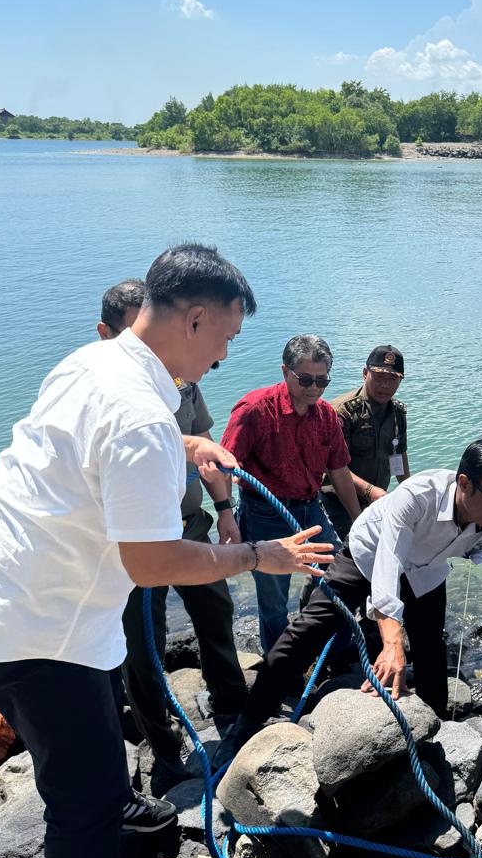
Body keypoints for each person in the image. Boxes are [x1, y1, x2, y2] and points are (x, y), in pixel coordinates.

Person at [0, 243, 333, 858]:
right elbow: (156, 560)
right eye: (226, 336)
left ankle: (114, 814)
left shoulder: (99, 365)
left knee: (98, 733)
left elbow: (102, 453)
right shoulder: (138, 415)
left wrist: (189, 442)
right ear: (193, 319)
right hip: (40, 631)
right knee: (84, 803)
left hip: (16, 599)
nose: (229, 353)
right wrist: (260, 554)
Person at [226, 440, 482, 746]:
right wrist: (392, 641)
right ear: (464, 484)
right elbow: (387, 565)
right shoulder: (417, 496)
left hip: (426, 568)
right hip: (368, 554)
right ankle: (246, 723)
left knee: (430, 647)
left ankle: (436, 730)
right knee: (307, 630)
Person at [98, 280, 249, 794]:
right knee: (143, 647)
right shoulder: (114, 393)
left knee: (216, 612)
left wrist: (225, 509)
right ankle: (162, 749)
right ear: (111, 334)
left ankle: (231, 709)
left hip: (190, 524)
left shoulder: (182, 384)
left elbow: (202, 447)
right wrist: (258, 556)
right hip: (136, 547)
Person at [221, 335, 361, 653]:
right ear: (286, 372)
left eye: (322, 380)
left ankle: (331, 648)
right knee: (273, 596)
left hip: (311, 509)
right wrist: (225, 514)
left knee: (338, 574)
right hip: (264, 514)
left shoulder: (326, 416)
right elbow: (224, 465)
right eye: (306, 379)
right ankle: (280, 668)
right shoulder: (254, 409)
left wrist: (357, 520)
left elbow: (339, 471)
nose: (314, 388)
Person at [322, 344, 410, 539]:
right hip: (337, 503)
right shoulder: (342, 411)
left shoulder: (397, 413)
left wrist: (411, 494)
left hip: (375, 501)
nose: (385, 385)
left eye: (393, 379)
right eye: (379, 377)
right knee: (340, 561)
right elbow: (333, 467)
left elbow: (399, 458)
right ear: (365, 373)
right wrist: (369, 491)